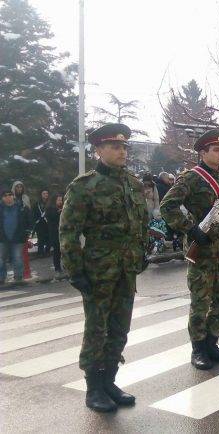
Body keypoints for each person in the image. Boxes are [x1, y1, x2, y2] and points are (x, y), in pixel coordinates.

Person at [59, 123, 149, 412]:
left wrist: (142, 252)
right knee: (97, 330)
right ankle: (93, 388)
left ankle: (109, 380)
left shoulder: (133, 183)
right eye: (115, 146)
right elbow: (69, 232)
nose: (122, 151)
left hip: (126, 269)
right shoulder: (84, 186)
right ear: (98, 150)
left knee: (120, 328)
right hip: (99, 271)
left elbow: (141, 223)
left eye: (124, 146)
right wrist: (75, 271)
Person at [160, 129, 219, 370]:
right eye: (216, 150)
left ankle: (212, 343)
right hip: (203, 251)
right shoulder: (191, 178)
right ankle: (198, 349)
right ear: (202, 153)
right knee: (201, 303)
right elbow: (168, 206)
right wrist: (190, 228)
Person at [1, 189, 31, 285]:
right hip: (2, 238)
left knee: (17, 258)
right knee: (1, 259)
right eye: (5, 195)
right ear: (2, 198)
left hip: (18, 238)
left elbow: (29, 219)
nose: (8, 197)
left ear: (13, 196)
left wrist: (27, 232)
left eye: (10, 195)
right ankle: (1, 278)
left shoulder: (21, 207)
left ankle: (18, 277)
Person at [47, 193, 64, 278]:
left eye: (61, 200)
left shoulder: (63, 208)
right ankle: (57, 268)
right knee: (57, 251)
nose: (60, 202)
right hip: (55, 232)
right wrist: (58, 213)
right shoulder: (50, 209)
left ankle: (64, 267)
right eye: (58, 200)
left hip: (63, 233)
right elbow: (51, 219)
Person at [32, 189, 50, 256]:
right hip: (40, 224)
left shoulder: (50, 203)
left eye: (47, 193)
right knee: (40, 238)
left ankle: (47, 251)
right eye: (44, 193)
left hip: (48, 223)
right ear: (41, 195)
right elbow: (34, 213)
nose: (46, 195)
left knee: (49, 238)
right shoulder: (37, 204)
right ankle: (40, 252)